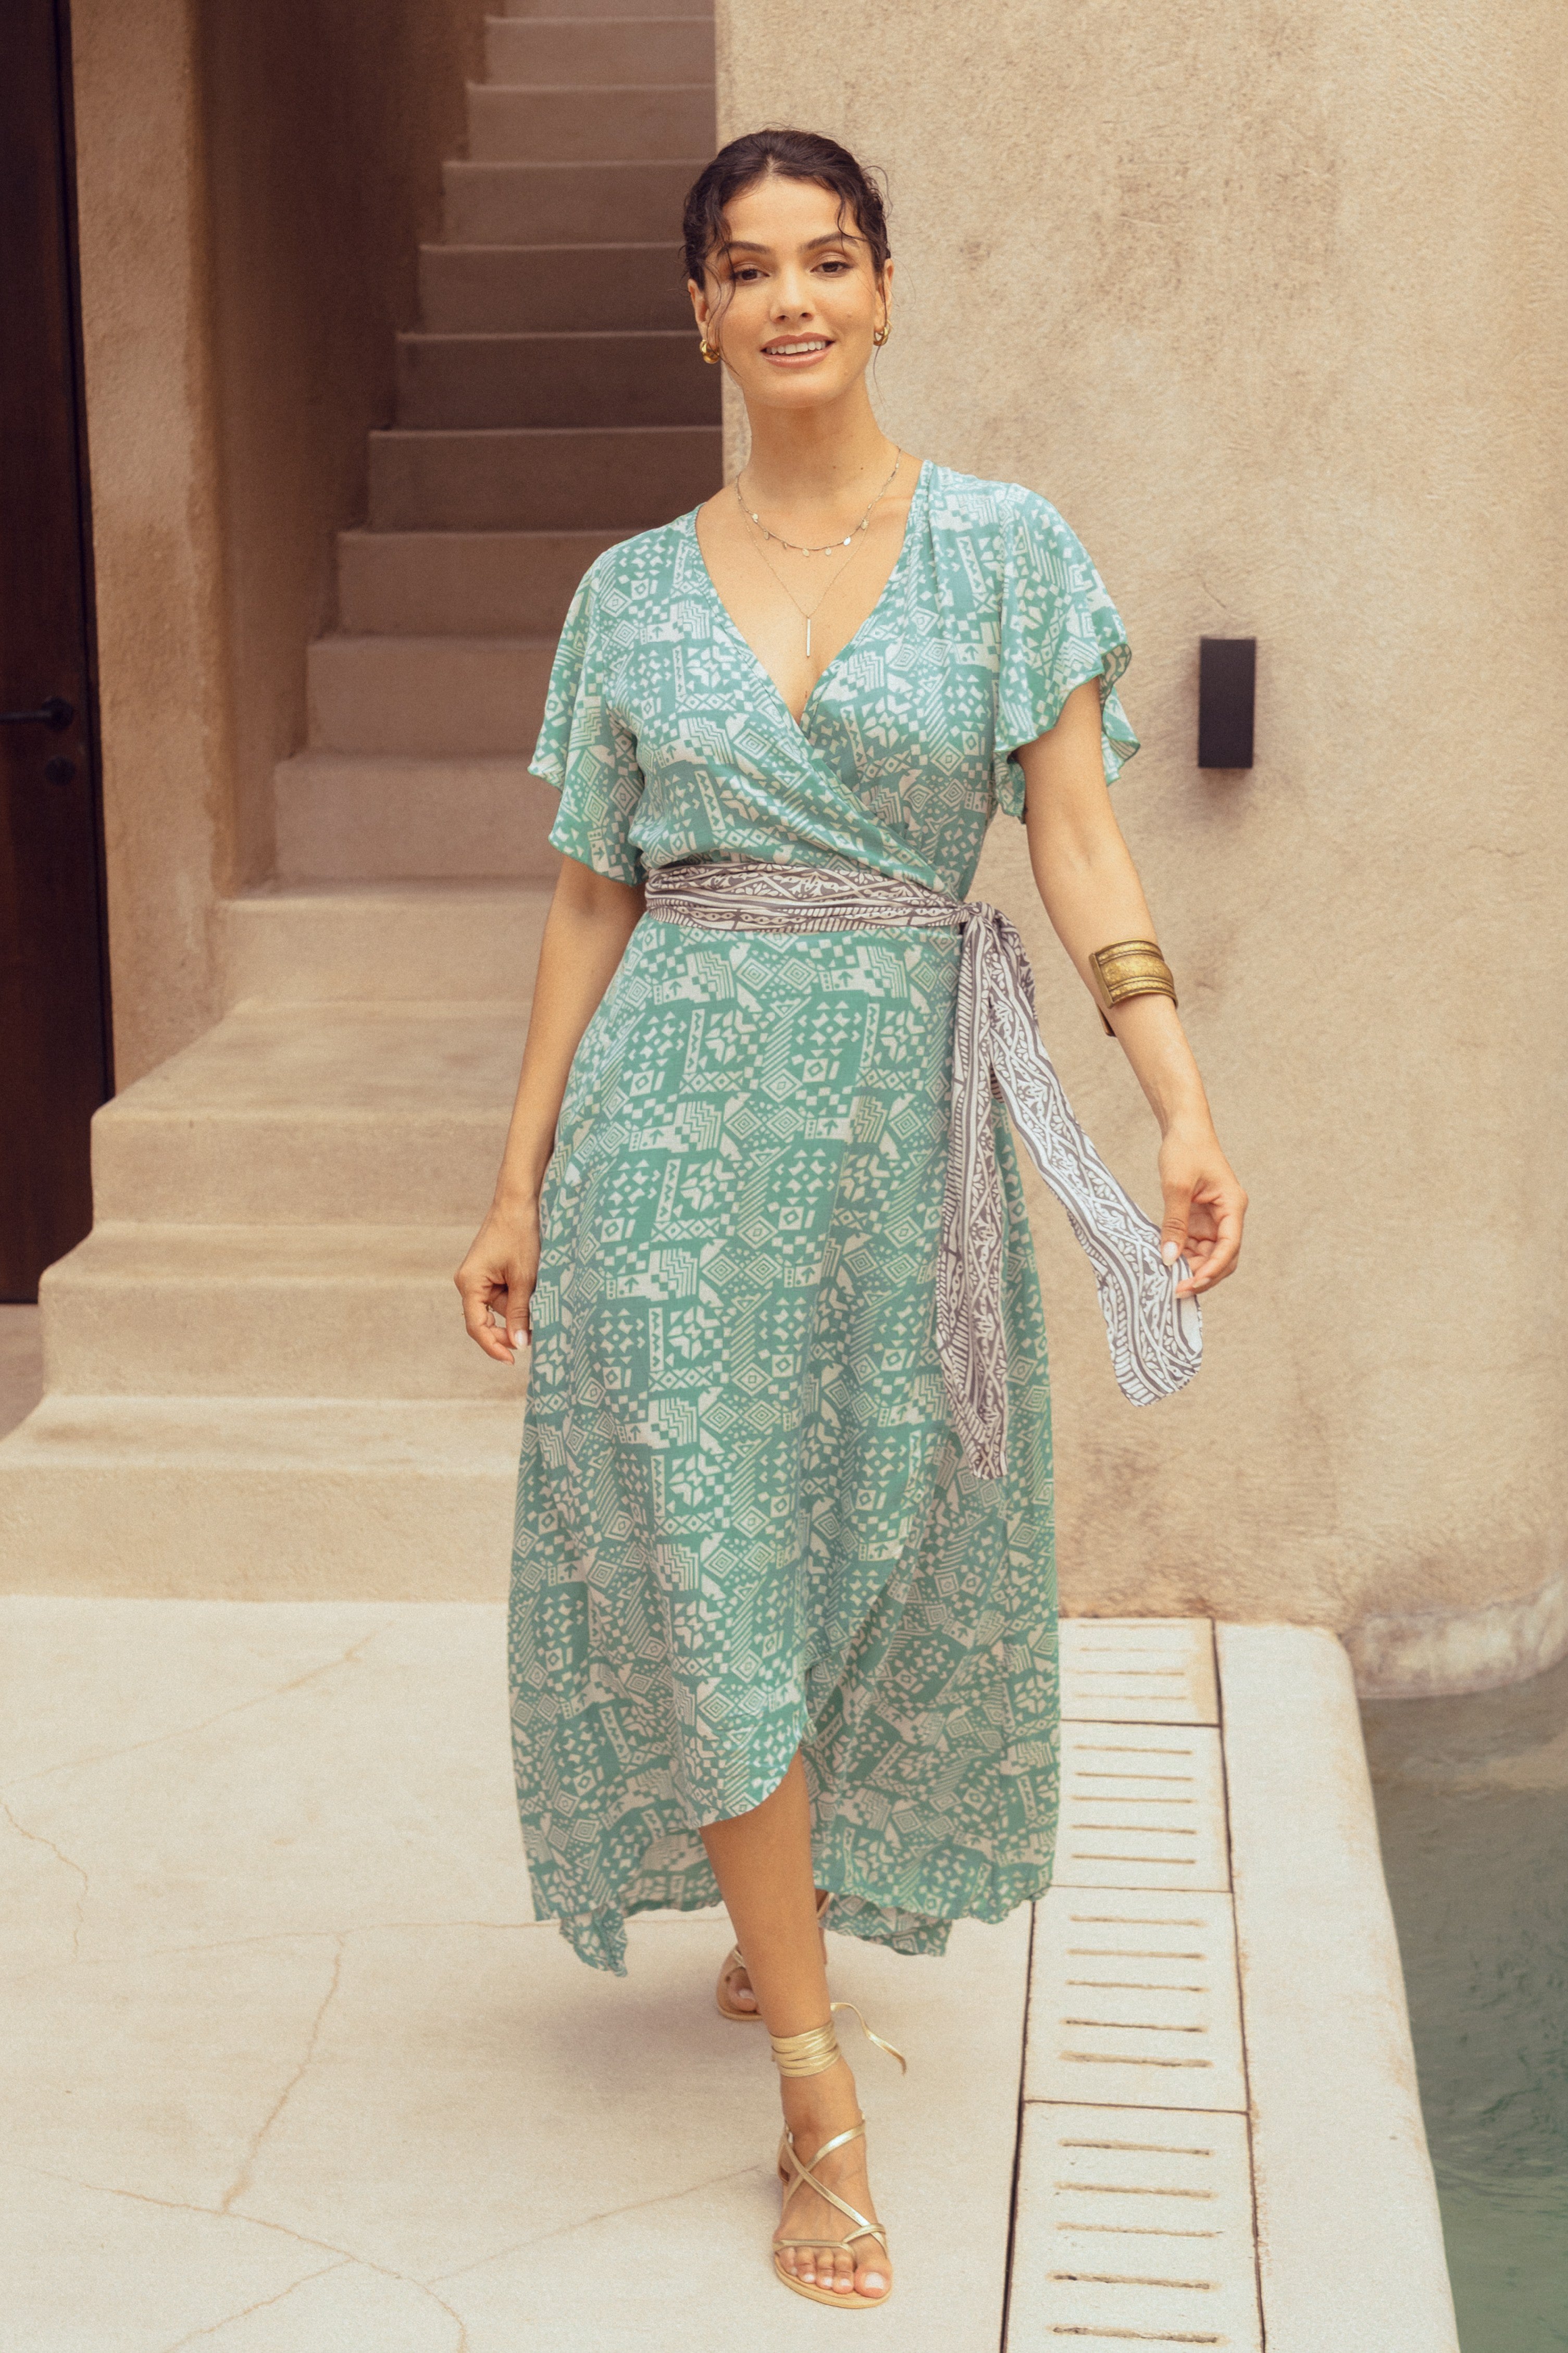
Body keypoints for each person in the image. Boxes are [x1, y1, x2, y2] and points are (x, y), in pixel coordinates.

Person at [455, 126, 1247, 2310]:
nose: (790, 297)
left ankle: (779, 1898)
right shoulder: (628, 591)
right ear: (698, 317)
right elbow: (592, 895)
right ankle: (819, 2093)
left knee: (872, 1524)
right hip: (666, 1141)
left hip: (902, 1127)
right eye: (747, 268)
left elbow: (1075, 843)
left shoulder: (1003, 551)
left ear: (884, 289)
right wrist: (520, 1176)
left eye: (828, 258)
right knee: (709, 1554)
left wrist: (1177, 1096)